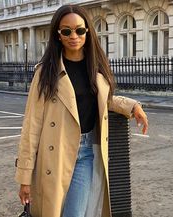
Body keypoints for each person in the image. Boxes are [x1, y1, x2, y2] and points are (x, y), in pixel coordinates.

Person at [15, 4, 148, 217]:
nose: (73, 36)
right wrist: (24, 178)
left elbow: (103, 99)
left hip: (85, 152)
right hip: (55, 153)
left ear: (87, 31)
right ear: (58, 35)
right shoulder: (45, 72)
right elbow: (32, 126)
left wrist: (132, 106)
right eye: (66, 31)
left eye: (79, 30)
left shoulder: (95, 67)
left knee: (75, 213)